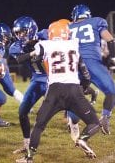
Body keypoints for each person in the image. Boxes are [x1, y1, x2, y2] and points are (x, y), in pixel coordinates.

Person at [16, 21, 100, 163]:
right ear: (66, 33)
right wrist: (84, 88)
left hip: (54, 91)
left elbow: (23, 58)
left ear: (51, 34)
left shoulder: (45, 44)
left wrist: (30, 53)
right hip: (74, 90)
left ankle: (29, 158)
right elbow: (85, 74)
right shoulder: (74, 44)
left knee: (39, 125)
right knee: (95, 123)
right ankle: (83, 139)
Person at [67, 4, 115, 135]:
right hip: (92, 62)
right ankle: (105, 117)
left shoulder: (68, 27)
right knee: (112, 92)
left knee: (76, 97)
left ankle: (73, 124)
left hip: (74, 65)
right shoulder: (96, 21)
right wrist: (112, 57)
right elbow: (109, 39)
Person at [9, 16, 48, 154]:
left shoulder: (45, 35)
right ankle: (26, 143)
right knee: (22, 112)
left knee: (65, 111)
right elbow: (19, 58)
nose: (20, 35)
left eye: (23, 32)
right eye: (18, 32)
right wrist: (33, 51)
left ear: (31, 30)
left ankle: (77, 133)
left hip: (52, 79)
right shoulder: (17, 47)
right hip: (37, 80)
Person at [0, 23, 24, 104]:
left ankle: (26, 105)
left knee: (11, 90)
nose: (6, 38)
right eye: (4, 36)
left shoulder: (0, 47)